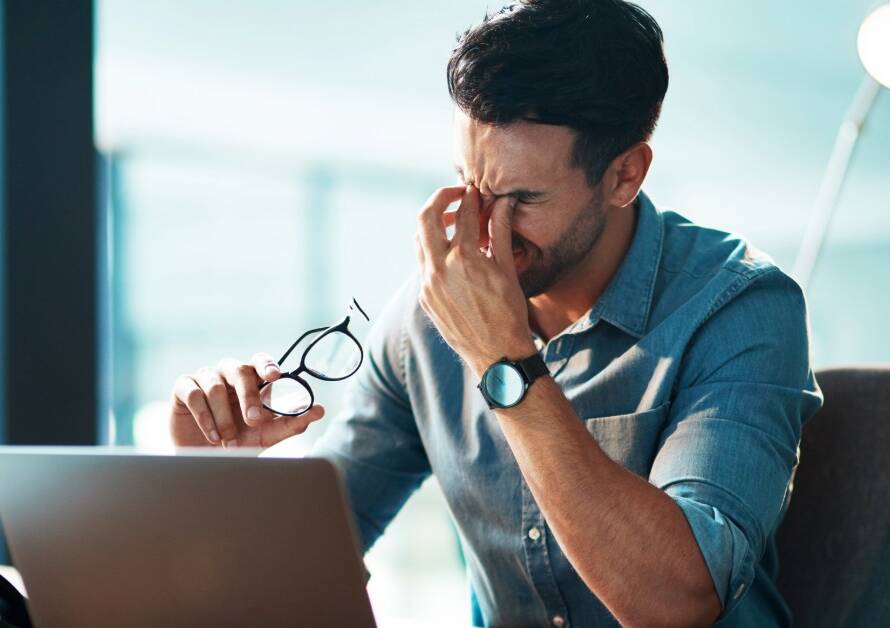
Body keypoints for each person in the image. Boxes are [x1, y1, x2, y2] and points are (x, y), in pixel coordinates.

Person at [168, 1, 822, 625]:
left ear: (625, 175)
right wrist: (213, 473)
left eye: (523, 199)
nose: (483, 230)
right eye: (469, 184)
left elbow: (675, 601)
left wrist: (502, 359)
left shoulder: (741, 309)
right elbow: (309, 564)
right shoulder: (424, 325)